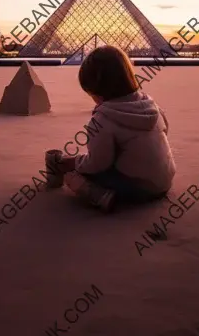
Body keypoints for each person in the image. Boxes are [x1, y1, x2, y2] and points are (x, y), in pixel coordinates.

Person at [48, 45, 176, 213]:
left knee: (72, 175)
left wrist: (73, 162)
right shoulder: (153, 106)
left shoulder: (102, 120)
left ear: (96, 92)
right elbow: (164, 131)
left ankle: (101, 196)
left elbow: (97, 164)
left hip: (137, 189)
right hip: (165, 181)